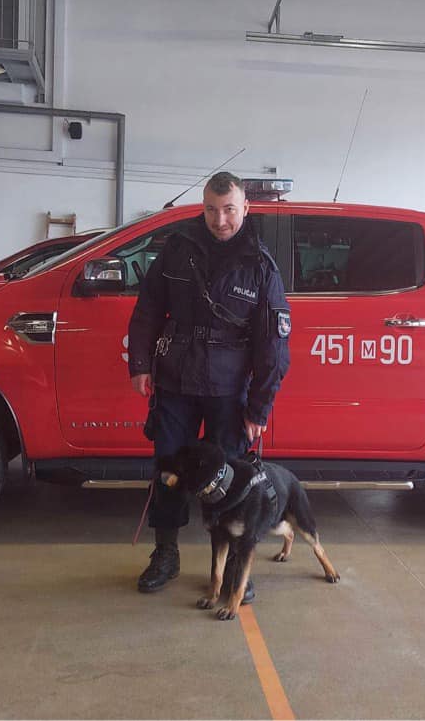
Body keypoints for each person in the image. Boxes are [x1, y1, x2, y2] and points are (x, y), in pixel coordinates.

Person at [127, 171, 291, 596]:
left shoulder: (260, 265)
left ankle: (235, 565)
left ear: (245, 208)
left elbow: (273, 345)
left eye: (229, 210)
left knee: (232, 481)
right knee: (168, 471)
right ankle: (165, 553)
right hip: (175, 383)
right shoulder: (178, 249)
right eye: (212, 210)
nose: (220, 220)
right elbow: (148, 308)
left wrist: (259, 408)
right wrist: (140, 365)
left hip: (228, 391)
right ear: (203, 207)